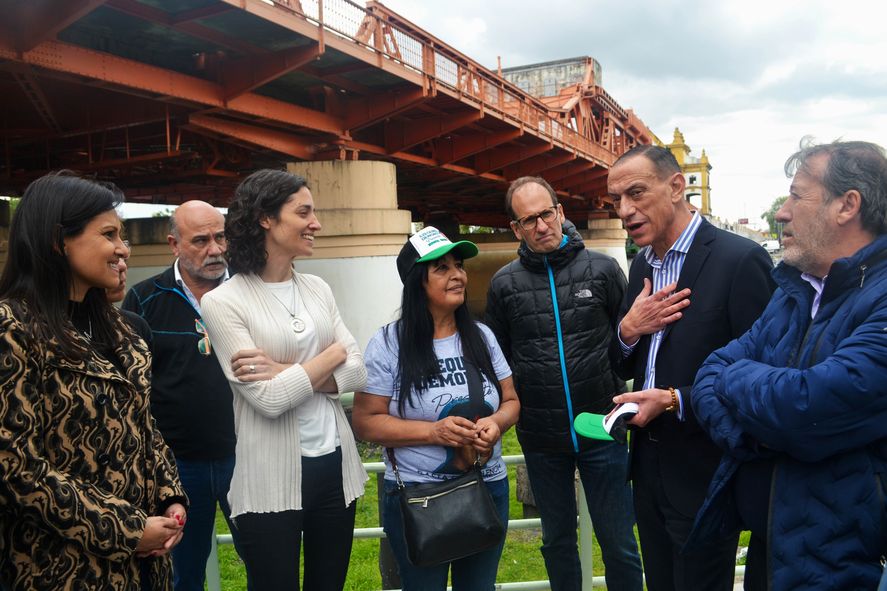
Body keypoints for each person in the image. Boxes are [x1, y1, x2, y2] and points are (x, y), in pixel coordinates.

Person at [690, 139, 887, 589]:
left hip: (844, 565)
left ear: (847, 205)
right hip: (774, 547)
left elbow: (807, 407)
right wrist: (763, 434)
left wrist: (741, 382)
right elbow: (707, 373)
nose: (782, 212)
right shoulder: (793, 292)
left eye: (797, 196)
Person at [0, 171, 187, 590]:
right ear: (58, 241)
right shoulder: (12, 329)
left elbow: (144, 427)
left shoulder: (122, 332)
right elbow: (15, 467)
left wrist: (169, 496)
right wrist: (126, 531)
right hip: (60, 570)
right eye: (109, 234)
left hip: (145, 570)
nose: (124, 248)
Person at [606, 144, 774, 591]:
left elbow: (762, 377)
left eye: (636, 193)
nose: (625, 210)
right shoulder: (642, 263)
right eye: (616, 200)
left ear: (677, 186)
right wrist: (627, 329)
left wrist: (677, 400)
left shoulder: (739, 260)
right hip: (647, 468)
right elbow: (619, 361)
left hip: (706, 469)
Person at [199, 169, 367, 591]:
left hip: (334, 467)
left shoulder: (317, 288)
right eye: (304, 212)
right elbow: (269, 400)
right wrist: (328, 355)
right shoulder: (222, 301)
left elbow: (359, 370)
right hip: (267, 479)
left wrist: (286, 371)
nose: (316, 223)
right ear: (265, 219)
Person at [484, 177, 643, 591]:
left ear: (560, 211)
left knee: (619, 541)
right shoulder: (504, 285)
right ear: (516, 229)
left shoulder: (604, 269)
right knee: (556, 542)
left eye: (546, 213)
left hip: (602, 426)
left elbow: (626, 344)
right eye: (529, 220)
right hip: (541, 435)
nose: (541, 226)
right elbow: (498, 358)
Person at [352, 226, 520, 591]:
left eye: (458, 265)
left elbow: (511, 401)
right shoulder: (387, 343)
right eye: (441, 268)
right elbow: (366, 422)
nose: (458, 274)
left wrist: (496, 423)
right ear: (417, 282)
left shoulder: (483, 336)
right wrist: (433, 432)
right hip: (418, 498)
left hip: (486, 487)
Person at [123, 201, 242, 591]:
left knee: (266, 561)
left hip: (247, 456)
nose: (216, 249)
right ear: (174, 244)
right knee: (181, 574)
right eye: (201, 240)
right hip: (176, 467)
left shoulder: (248, 290)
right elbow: (132, 386)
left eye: (220, 237)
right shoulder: (143, 299)